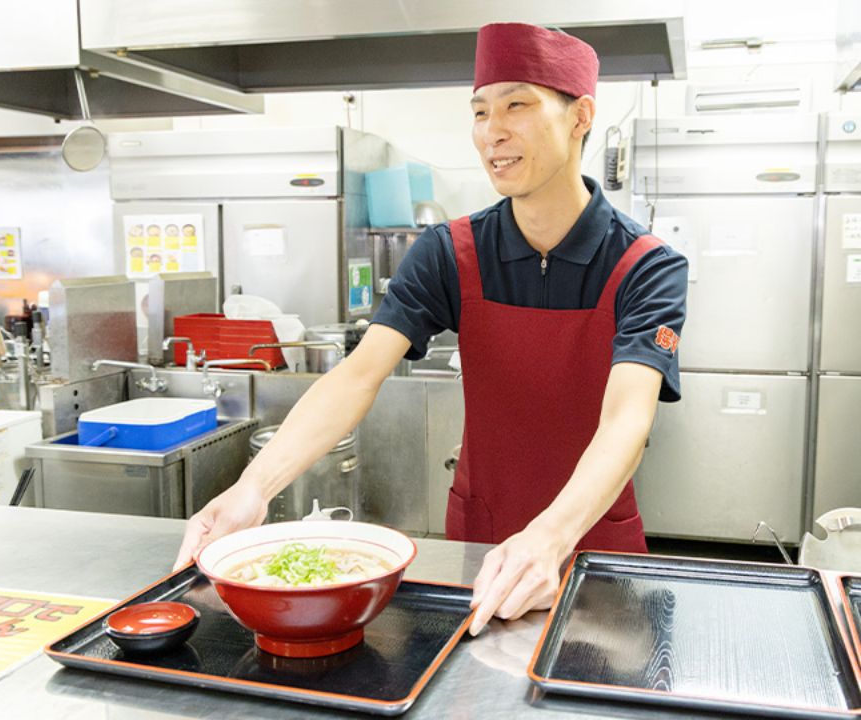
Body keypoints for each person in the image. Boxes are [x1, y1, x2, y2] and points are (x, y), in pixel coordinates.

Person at [175, 22, 687, 636]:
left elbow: (627, 419)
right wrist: (253, 489)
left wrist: (551, 538)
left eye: (517, 105)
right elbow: (358, 376)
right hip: (478, 540)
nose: (491, 132)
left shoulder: (646, 265)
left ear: (581, 116)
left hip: (592, 541)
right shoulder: (452, 252)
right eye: (479, 111)